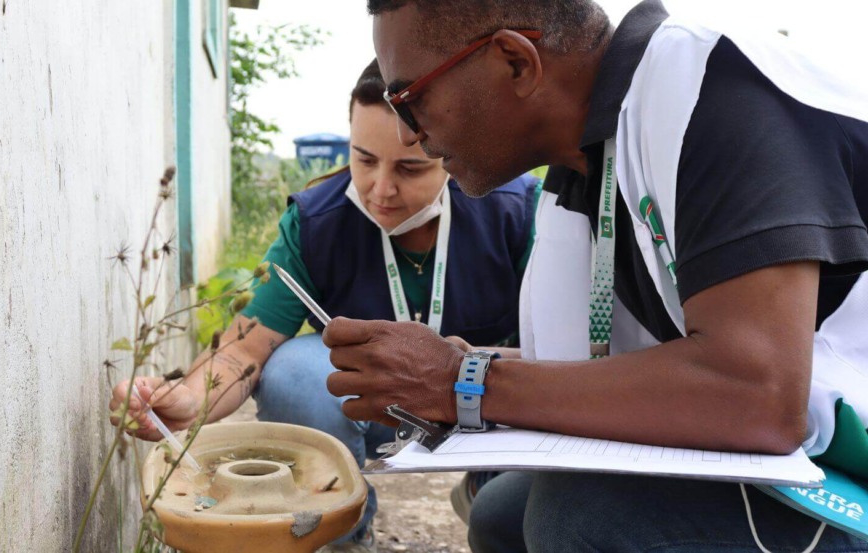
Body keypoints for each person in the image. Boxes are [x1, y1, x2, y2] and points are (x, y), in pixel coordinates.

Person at [322, 1, 868, 551]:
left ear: (515, 61)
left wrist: (460, 381)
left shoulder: (716, 87)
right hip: (804, 450)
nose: (408, 133)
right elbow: (603, 368)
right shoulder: (586, 158)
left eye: (410, 99)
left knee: (582, 517)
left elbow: (760, 397)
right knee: (502, 514)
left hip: (847, 459)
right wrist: (449, 367)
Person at [110, 59, 541, 552]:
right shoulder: (315, 223)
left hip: (487, 408)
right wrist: (188, 401)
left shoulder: (519, 211)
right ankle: (345, 529)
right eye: (363, 160)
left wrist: (464, 371)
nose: (380, 189)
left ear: (452, 148)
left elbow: (568, 358)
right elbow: (241, 353)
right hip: (377, 406)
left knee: (542, 392)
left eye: (411, 167)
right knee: (292, 370)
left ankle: (493, 488)